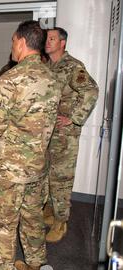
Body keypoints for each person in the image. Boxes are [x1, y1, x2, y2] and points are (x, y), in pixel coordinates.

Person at [0, 20, 62, 270]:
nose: (11, 47)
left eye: (12, 41)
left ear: (22, 42)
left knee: (1, 225)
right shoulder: (52, 79)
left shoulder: (10, 80)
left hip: (10, 170)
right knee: (33, 218)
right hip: (37, 167)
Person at [43, 27, 99, 242]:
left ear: (62, 43)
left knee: (61, 179)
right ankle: (50, 211)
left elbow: (91, 90)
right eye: (47, 38)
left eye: (52, 39)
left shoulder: (72, 66)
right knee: (47, 174)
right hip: (48, 132)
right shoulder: (48, 66)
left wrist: (75, 118)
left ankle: (61, 222)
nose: (47, 42)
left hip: (64, 135)